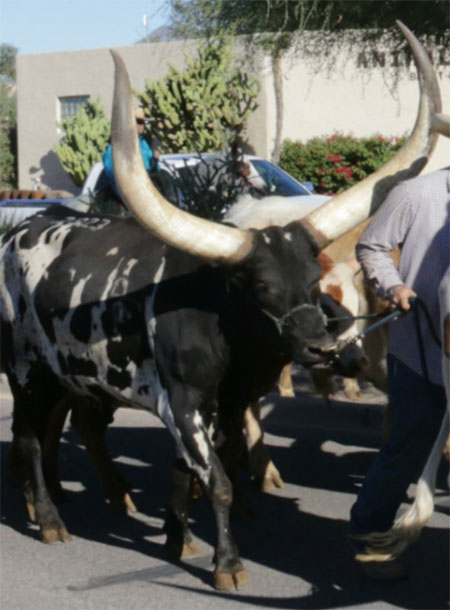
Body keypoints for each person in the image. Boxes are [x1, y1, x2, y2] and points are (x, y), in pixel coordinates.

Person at [350, 162, 450, 580]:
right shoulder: (416, 194)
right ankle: (370, 541)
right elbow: (371, 247)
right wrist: (393, 286)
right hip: (421, 347)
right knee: (408, 448)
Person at [102, 107, 159, 200]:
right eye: (138, 122)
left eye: (143, 123)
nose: (141, 125)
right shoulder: (118, 143)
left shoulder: (143, 144)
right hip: (125, 194)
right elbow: (110, 169)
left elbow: (152, 168)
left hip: (145, 191)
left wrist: (155, 160)